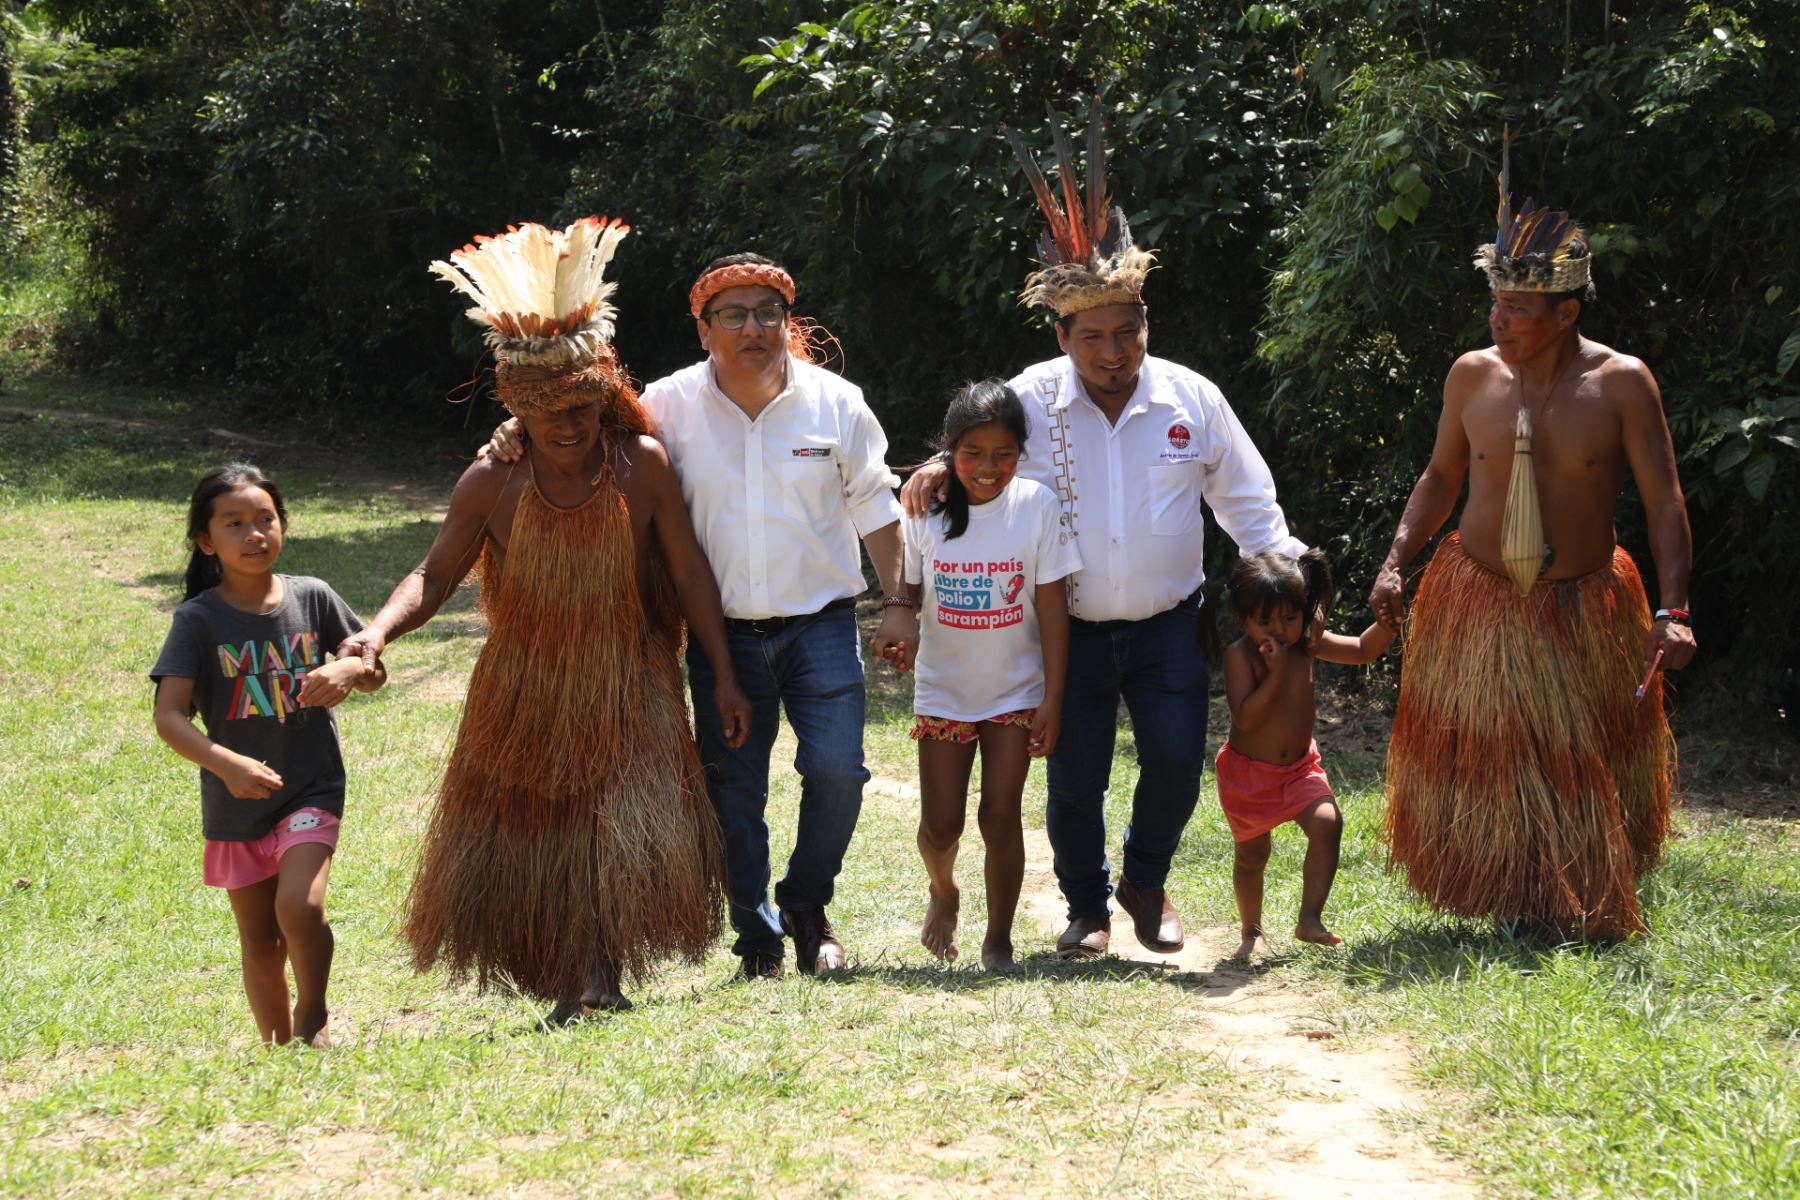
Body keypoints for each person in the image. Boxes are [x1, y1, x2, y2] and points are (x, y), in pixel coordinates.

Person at [903, 109, 1306, 959]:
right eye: (1093, 337)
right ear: (1062, 335)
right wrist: (937, 470)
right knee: (1075, 776)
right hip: (1068, 628)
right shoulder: (1031, 398)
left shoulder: (1190, 399)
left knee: (1171, 764)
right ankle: (1085, 907)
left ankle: (1145, 883)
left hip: (1169, 621)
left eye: (1128, 332)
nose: (1113, 352)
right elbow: (976, 449)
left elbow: (1250, 505)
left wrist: (1290, 597)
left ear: (1144, 322)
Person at [340, 218, 749, 1020]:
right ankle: (572, 975)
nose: (566, 428)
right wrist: (375, 632)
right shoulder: (492, 482)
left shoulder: (643, 467)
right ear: (517, 409)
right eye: (547, 414)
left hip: (630, 674)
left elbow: (690, 572)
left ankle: (598, 975)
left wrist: (725, 675)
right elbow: (435, 573)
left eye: (581, 410)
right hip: (526, 682)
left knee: (617, 822)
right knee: (545, 829)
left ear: (603, 398)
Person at [484, 251, 916, 978]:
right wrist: (510, 434)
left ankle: (808, 907)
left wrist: (901, 603)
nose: (753, 327)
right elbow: (580, 430)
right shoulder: (668, 405)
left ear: (789, 321)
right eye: (733, 315)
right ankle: (759, 939)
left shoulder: (836, 402)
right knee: (732, 792)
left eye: (767, 313)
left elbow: (877, 505)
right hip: (725, 638)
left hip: (821, 624)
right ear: (704, 328)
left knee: (840, 772)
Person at [1369, 141, 1694, 937]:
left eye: (1518, 308)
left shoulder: (1621, 383)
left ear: (1567, 313)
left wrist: (1675, 608)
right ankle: (1506, 890)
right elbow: (1440, 478)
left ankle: (1577, 897)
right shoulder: (1471, 375)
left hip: (1584, 600)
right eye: (1496, 302)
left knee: (1575, 754)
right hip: (1478, 592)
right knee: (1491, 755)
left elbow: (1664, 501)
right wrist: (1394, 561)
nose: (1498, 318)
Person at [151, 463, 386, 1046]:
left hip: (311, 786)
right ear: (206, 541)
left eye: (265, 520)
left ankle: (314, 1015)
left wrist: (352, 666)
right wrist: (225, 764)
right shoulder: (197, 620)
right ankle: (277, 1048)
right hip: (238, 799)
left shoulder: (314, 597)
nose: (254, 533)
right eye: (234, 524)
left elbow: (373, 670)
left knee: (301, 908)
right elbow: (170, 715)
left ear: (282, 527)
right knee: (259, 940)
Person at [889, 379, 1080, 970]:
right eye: (973, 453)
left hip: (1016, 691)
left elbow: (1052, 605)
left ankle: (999, 939)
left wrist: (1052, 696)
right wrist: (902, 627)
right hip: (944, 690)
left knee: (1001, 813)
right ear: (948, 450)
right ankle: (943, 889)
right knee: (940, 825)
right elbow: (907, 588)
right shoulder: (927, 508)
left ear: (1022, 452)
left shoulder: (1037, 506)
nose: (988, 468)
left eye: (1003, 454)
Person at [1213, 550, 1392, 959]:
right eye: (1265, 622)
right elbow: (1246, 717)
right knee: (1252, 856)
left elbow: (1362, 649)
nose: (1278, 631)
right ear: (1243, 620)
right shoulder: (1241, 656)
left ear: (1303, 613)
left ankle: (1309, 919)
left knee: (1328, 824)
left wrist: (1385, 626)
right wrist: (1274, 673)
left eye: (1289, 619)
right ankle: (1252, 929)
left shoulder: (1307, 645)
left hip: (1298, 770)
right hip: (1248, 776)